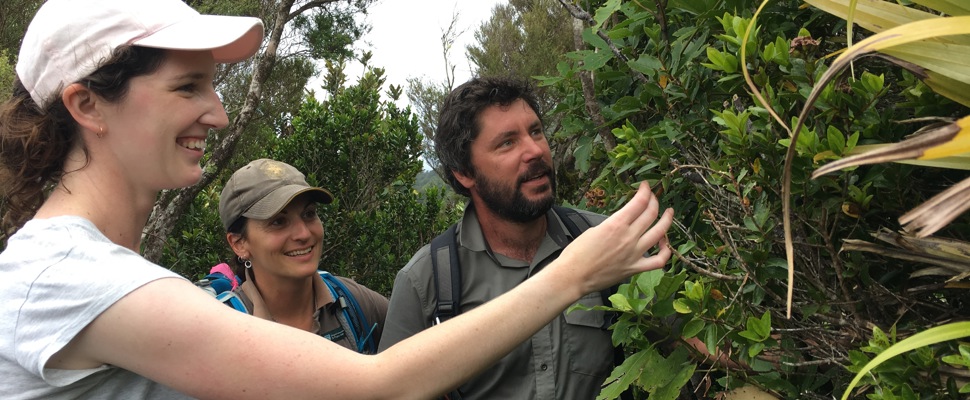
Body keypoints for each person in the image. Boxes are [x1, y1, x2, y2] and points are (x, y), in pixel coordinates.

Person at [0, 0, 674, 398]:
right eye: (187, 88)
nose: (219, 113)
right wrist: (576, 274)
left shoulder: (97, 272)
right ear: (87, 104)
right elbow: (380, 387)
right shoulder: (70, 277)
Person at [379, 76, 644, 399]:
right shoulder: (426, 282)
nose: (535, 151)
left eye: (536, 132)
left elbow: (696, 339)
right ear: (464, 172)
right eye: (507, 142)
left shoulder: (607, 241)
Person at [217, 158, 388, 353]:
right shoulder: (224, 331)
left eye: (309, 214)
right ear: (239, 244)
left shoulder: (353, 303)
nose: (304, 234)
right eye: (278, 222)